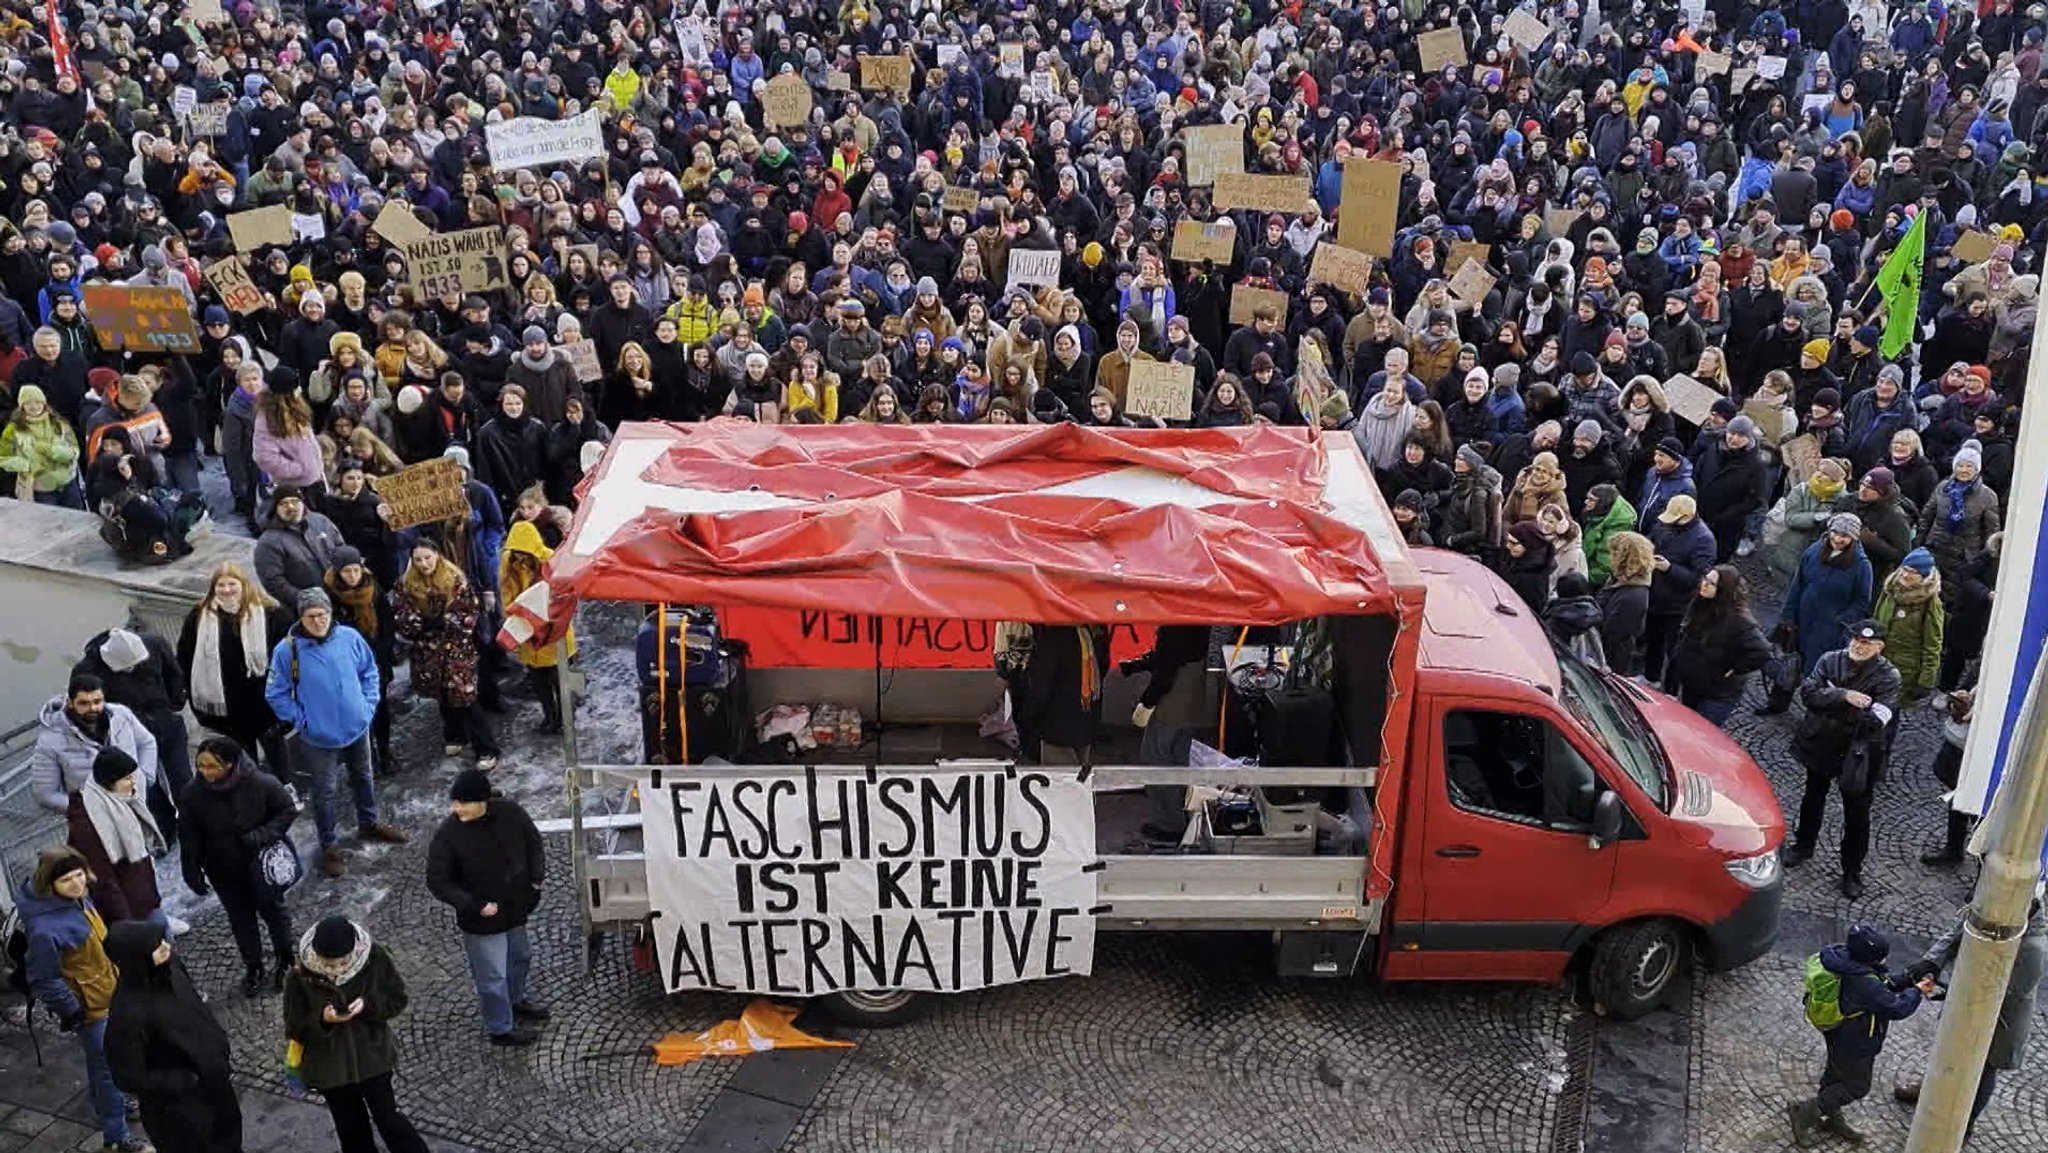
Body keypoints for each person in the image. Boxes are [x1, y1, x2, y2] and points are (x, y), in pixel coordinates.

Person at [15, 848, 155, 1152]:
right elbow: (43, 978)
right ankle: (116, 1138)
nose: (78, 884)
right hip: (91, 1009)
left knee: (103, 1065)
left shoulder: (75, 899)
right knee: (108, 1071)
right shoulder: (44, 928)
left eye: (80, 874)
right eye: (67, 879)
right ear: (49, 883)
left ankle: (110, 1105)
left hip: (108, 993)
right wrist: (73, 1011)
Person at [265, 588, 408, 879]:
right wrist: (301, 720)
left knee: (364, 775)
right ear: (301, 618)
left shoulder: (350, 637)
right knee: (324, 791)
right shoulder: (286, 650)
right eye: (311, 616)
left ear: (331, 614)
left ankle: (369, 822)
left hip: (357, 725)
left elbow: (369, 671)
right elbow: (276, 692)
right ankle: (329, 845)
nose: (318, 621)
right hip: (319, 735)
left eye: (322, 614)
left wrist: (368, 705)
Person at [1891, 894, 2047, 1137]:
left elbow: (2008, 994)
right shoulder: (1993, 904)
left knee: (1984, 1069)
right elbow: (1959, 931)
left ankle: (1967, 1121)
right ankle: (1932, 1089)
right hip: (1966, 997)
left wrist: (1953, 990)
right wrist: (1932, 962)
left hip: (2001, 1021)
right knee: (1948, 1048)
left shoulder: (2033, 948)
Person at [282, 917, 432, 1153]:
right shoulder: (300, 976)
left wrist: (368, 1005)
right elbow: (294, 1028)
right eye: (328, 963)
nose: (335, 968)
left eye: (341, 962)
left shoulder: (374, 959)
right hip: (330, 1069)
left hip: (373, 1058)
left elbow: (397, 1000)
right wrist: (323, 1020)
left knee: (389, 1118)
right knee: (350, 1128)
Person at [425, 770, 550, 1046]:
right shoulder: (449, 835)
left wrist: (535, 881)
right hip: (481, 918)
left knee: (521, 957)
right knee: (492, 975)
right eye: (455, 803)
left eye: (462, 803)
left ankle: (516, 1000)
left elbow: (533, 843)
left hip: (515, 907)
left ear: (482, 801)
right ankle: (500, 1028)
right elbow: (437, 880)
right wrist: (473, 905)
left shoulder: (511, 814)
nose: (455, 808)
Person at [103, 920, 244, 1153]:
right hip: (180, 1110)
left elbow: (196, 1007)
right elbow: (127, 1076)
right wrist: (182, 1081)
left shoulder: (172, 968)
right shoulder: (128, 1013)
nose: (166, 947)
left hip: (214, 1086)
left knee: (230, 1141)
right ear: (138, 959)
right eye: (157, 947)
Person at [1787, 924, 1933, 1147]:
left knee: (1835, 1075)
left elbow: (1881, 984)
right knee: (1856, 1086)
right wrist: (1917, 991)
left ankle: (1831, 1117)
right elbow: (1896, 1007)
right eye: (1881, 958)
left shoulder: (1846, 963)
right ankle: (1805, 1112)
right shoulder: (1865, 983)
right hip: (1856, 1041)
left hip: (1838, 1031)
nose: (1884, 962)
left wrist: (1906, 979)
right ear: (1870, 958)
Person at [1786, 621, 1902, 899]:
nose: (1858, 646)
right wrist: (1845, 696)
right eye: (1856, 640)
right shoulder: (1830, 660)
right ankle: (1803, 844)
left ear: (1879, 647)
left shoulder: (1889, 677)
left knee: (1857, 814)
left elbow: (1877, 719)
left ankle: (1852, 870)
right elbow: (1808, 694)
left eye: (1866, 643)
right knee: (1812, 796)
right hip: (1822, 742)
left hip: (1859, 752)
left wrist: (1830, 699)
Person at [180, 737, 298, 997]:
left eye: (212, 767)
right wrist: (191, 868)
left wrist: (260, 836)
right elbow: (188, 834)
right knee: (241, 921)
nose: (205, 773)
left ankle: (285, 958)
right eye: (200, 766)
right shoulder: (192, 793)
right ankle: (254, 967)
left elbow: (287, 810)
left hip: (259, 866)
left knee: (274, 913)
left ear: (230, 765)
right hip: (223, 869)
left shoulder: (261, 783)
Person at [178, 562, 296, 789]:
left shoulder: (272, 614)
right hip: (227, 701)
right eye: (220, 585)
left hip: (264, 698)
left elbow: (288, 656)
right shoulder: (200, 617)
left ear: (244, 585)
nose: (227, 590)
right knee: (242, 754)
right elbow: (186, 654)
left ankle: (286, 787)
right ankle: (257, 792)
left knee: (274, 745)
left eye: (232, 584)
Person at [72, 628, 191, 847]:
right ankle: (164, 831)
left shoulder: (154, 644)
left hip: (166, 725)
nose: (134, 669)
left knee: (183, 780)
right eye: (128, 668)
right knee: (145, 787)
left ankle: (194, 826)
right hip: (130, 737)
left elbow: (175, 674)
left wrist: (173, 703)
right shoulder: (87, 671)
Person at [393, 541, 501, 769]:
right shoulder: (406, 584)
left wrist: (445, 622)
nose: (424, 564)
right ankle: (454, 735)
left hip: (457, 648)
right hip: (428, 650)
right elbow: (402, 615)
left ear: (437, 555)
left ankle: (486, 749)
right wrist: (421, 624)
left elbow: (468, 611)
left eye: (428, 557)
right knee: (441, 691)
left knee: (465, 696)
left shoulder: (455, 579)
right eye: (418, 559)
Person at [1769, 514, 1875, 713]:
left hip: (1829, 630)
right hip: (1802, 619)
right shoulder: (1814, 550)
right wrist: (1788, 615)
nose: (1837, 539)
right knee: (1790, 664)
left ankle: (1813, 717)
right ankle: (1776, 704)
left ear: (1853, 538)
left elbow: (1862, 601)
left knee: (1820, 676)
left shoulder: (1862, 566)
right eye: (1835, 532)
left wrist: (1841, 620)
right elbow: (1798, 584)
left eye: (1844, 535)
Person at [65, 749, 170, 931]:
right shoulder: (89, 824)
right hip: (129, 913)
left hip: (145, 899)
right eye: (127, 778)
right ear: (110, 782)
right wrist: (127, 924)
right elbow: (103, 879)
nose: (133, 783)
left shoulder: (119, 801)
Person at [32, 674, 159, 818]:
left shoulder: (121, 715)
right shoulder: (50, 741)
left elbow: (146, 742)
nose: (92, 708)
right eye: (83, 703)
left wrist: (145, 778)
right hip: (97, 823)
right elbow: (46, 794)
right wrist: (89, 810)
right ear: (70, 703)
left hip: (136, 805)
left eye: (97, 701)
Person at [1665, 566, 1772, 726]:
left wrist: (1734, 668)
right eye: (1705, 579)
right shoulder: (1701, 603)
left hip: (1716, 692)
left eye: (1711, 583)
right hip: (1693, 683)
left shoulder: (1739, 620)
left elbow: (1762, 651)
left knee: (1701, 731)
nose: (1704, 584)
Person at [500, 522, 573, 735]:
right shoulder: (509, 563)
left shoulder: (551, 560)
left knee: (559, 680)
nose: (520, 558)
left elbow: (565, 596)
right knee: (539, 681)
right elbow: (507, 593)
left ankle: (564, 716)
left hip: (553, 633)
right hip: (529, 633)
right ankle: (549, 715)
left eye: (524, 553)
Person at [1643, 495, 1716, 684]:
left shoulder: (1703, 540)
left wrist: (1669, 569)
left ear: (1688, 516)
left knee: (1675, 649)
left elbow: (1698, 578)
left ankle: (1671, 688)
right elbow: (1651, 541)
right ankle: (1651, 677)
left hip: (1678, 604)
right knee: (1654, 639)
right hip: (1656, 594)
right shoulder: (1664, 525)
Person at [1871, 549, 1944, 708]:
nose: (1905, 575)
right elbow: (1876, 620)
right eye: (1905, 569)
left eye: (1913, 572)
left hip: (1904, 670)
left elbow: (1933, 645)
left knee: (1890, 711)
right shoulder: (1890, 589)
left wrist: (1926, 680)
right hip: (1878, 661)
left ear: (1924, 576)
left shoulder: (1930, 603)